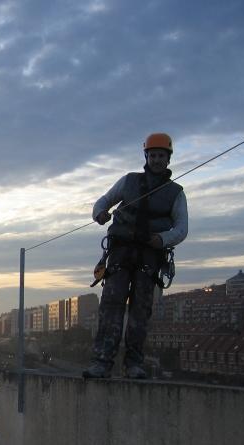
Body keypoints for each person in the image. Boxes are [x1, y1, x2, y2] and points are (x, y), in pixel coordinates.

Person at [82, 133, 188, 379]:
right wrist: (99, 213)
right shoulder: (129, 182)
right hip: (121, 253)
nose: (157, 160)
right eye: (153, 155)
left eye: (161, 156)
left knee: (140, 311)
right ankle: (101, 362)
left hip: (149, 258)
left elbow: (181, 228)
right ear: (146, 157)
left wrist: (161, 240)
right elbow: (105, 200)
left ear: (168, 158)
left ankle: (134, 364)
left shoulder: (175, 193)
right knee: (111, 306)